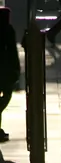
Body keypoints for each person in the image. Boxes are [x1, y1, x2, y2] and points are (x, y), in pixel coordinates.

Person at [0, 7, 20, 143]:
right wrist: (16, 69)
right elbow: (12, 51)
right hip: (5, 70)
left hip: (5, 70)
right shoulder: (8, 30)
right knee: (6, 95)